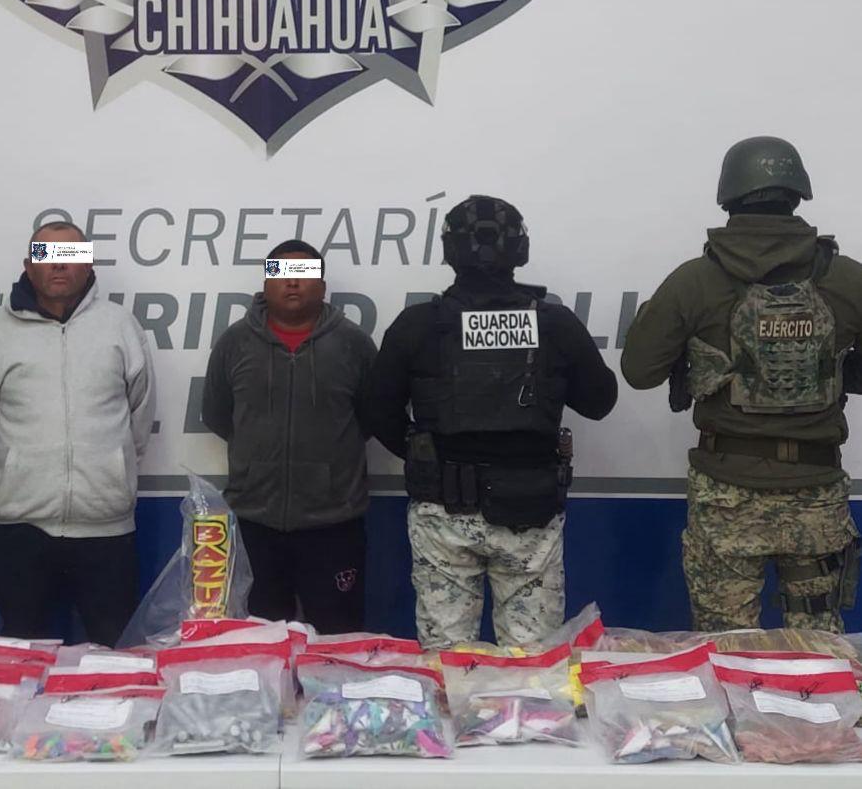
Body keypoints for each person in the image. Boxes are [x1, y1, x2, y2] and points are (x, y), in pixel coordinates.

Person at [622, 136, 862, 632]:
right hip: (816, 493)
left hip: (725, 495)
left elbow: (639, 371)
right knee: (817, 649)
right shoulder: (846, 279)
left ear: (728, 197)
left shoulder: (695, 280)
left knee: (727, 645)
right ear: (797, 195)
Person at [368, 195, 617, 648]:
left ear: (449, 251)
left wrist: (424, 455)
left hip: (444, 514)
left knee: (448, 662)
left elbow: (375, 408)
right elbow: (600, 401)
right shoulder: (553, 323)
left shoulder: (418, 325)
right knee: (531, 665)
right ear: (520, 249)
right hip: (528, 511)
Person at [0, 221, 154, 647]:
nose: (59, 266)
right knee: (22, 651)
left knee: (115, 653)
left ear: (88, 264)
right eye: (47, 256)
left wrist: (113, 466)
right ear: (28, 265)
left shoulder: (119, 326)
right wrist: (19, 467)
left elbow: (140, 415)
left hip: (106, 528)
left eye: (70, 256)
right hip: (23, 529)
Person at [202, 239, 377, 632]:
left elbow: (370, 419)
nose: (293, 283)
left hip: (334, 524)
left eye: (304, 274)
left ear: (323, 286)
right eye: (281, 274)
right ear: (266, 284)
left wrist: (325, 467)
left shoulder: (353, 345)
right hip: (255, 521)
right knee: (260, 643)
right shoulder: (234, 343)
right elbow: (217, 415)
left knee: (337, 639)